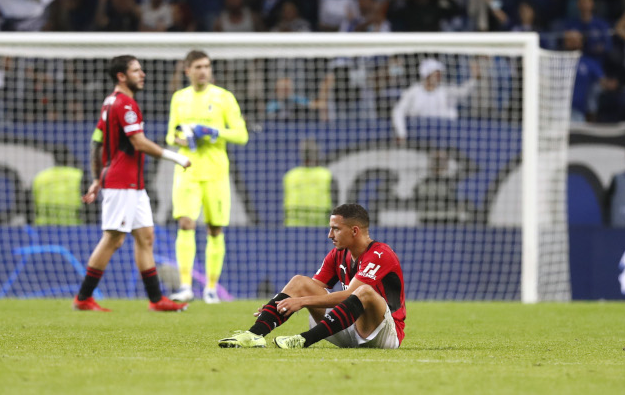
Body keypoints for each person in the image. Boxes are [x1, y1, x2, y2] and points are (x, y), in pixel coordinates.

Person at [73, 55, 192, 312]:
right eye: (137, 71)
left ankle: (156, 299)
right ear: (121, 76)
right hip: (122, 182)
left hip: (132, 185)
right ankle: (83, 298)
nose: (143, 74)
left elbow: (96, 142)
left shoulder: (110, 102)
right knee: (113, 239)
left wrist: (96, 177)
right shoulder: (125, 105)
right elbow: (138, 142)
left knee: (145, 237)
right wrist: (176, 156)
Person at [217, 203, 405, 350]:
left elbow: (351, 295)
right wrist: (276, 306)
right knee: (300, 282)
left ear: (355, 231)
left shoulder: (380, 254)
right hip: (346, 327)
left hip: (381, 334)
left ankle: (303, 340)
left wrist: (303, 302)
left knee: (364, 291)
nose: (330, 235)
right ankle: (254, 335)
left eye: (336, 229)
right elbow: (310, 288)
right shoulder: (338, 254)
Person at [165, 50, 249, 304]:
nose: (203, 71)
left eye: (207, 66)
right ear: (187, 70)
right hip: (187, 170)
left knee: (215, 229)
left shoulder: (223, 98)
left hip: (216, 173)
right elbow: (170, 135)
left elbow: (241, 135)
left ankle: (211, 289)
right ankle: (186, 286)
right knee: (186, 224)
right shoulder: (179, 98)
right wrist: (181, 138)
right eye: (198, 66)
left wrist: (213, 132)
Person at [391, 58, 479, 142]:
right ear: (427, 75)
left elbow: (462, 92)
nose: (439, 76)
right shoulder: (413, 91)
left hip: (443, 136)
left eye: (439, 74)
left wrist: (475, 79)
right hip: (419, 137)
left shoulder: (445, 89)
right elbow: (398, 111)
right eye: (436, 74)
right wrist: (401, 133)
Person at [283, 139, 333, 227]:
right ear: (317, 154)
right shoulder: (326, 175)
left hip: (293, 228)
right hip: (320, 227)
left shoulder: (290, 175)